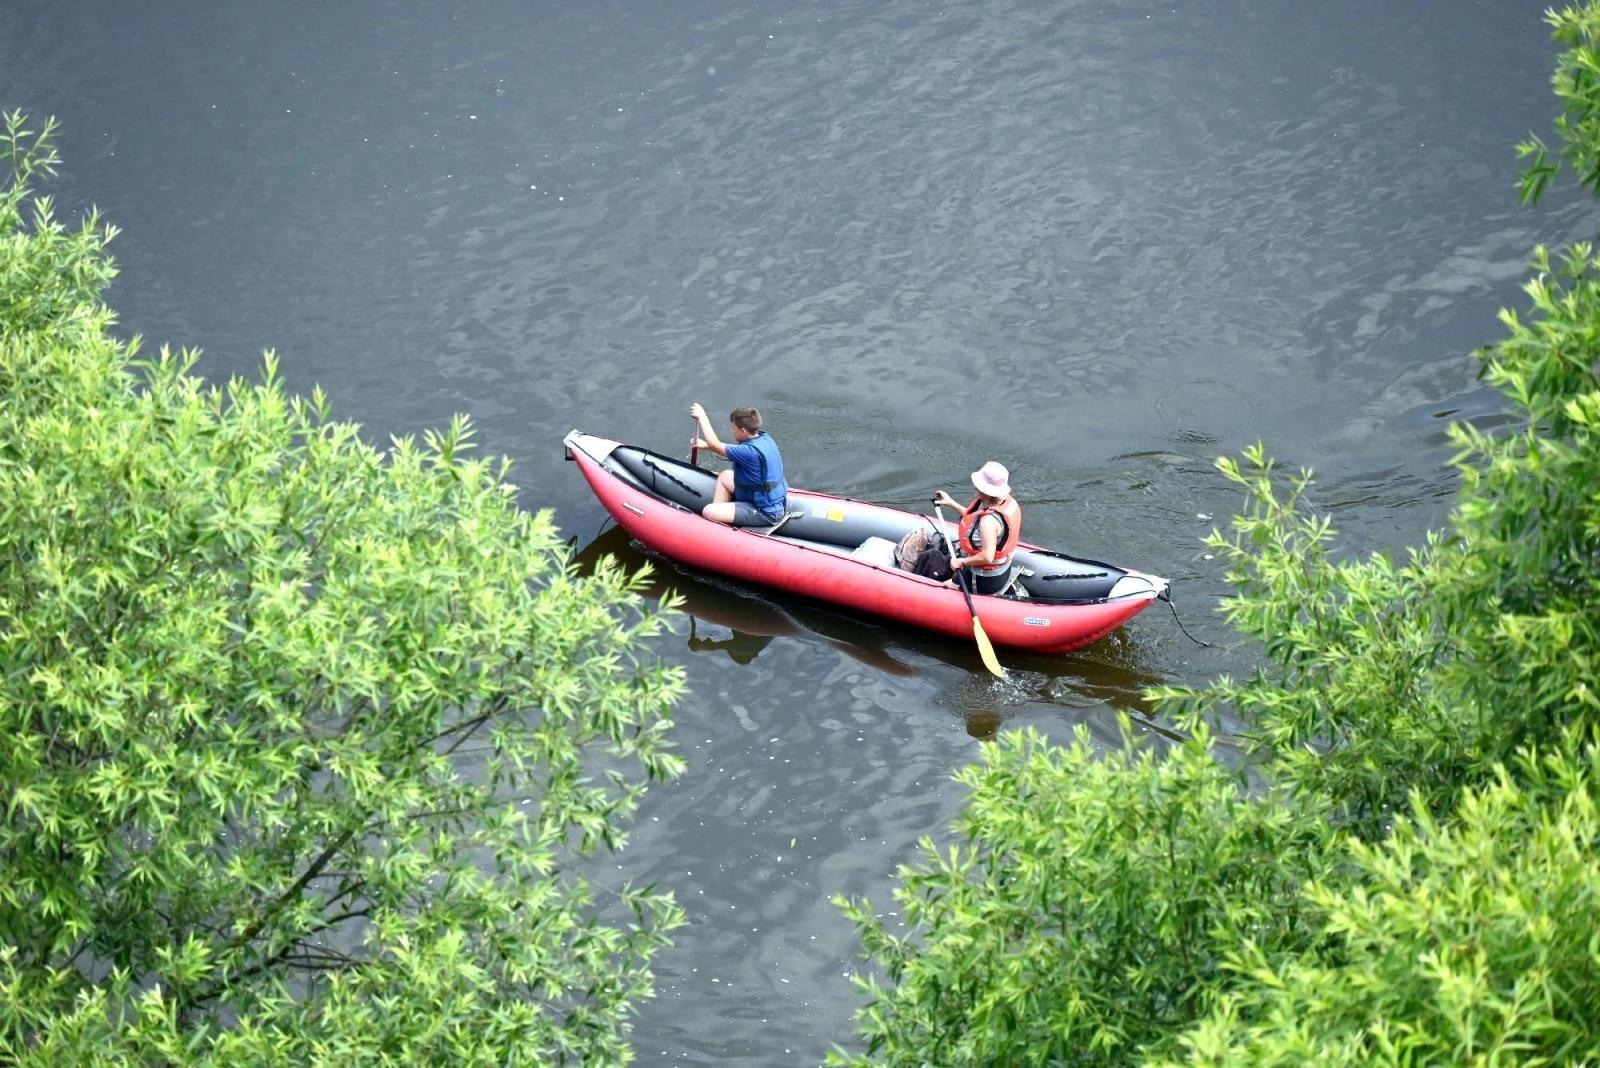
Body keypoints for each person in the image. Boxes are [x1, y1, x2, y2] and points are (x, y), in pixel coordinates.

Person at [689, 402, 789, 526]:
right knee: (725, 475)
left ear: (743, 431)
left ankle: (718, 523)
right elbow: (720, 448)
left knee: (708, 511)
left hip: (765, 512)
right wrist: (707, 446)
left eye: (733, 428)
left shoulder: (749, 452)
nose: (732, 431)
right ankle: (722, 518)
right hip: (762, 497)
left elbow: (715, 444)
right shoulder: (764, 438)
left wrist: (702, 416)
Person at [933, 460, 1022, 595]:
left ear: (987, 491)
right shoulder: (1004, 502)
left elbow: (987, 557)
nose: (974, 486)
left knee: (940, 584)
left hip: (982, 579)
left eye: (978, 486)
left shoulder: (988, 521)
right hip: (1002, 569)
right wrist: (950, 503)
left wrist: (962, 562)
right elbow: (973, 519)